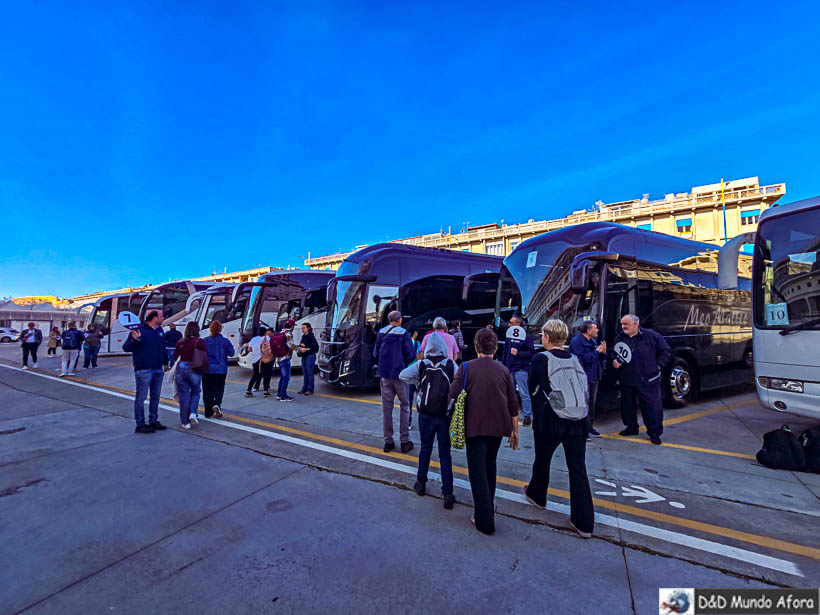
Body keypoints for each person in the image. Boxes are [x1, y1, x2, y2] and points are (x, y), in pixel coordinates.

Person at [524, 319, 595, 538]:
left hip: (550, 421)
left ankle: (537, 495)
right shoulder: (574, 359)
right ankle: (584, 522)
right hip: (578, 421)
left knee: (543, 459)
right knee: (577, 468)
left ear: (546, 337)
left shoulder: (540, 359)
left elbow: (532, 387)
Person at [449, 327, 519, 535]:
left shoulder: (466, 367)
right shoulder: (503, 370)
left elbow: (453, 392)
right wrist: (515, 431)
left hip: (474, 426)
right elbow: (513, 403)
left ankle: (484, 519)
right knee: (490, 466)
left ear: (476, 346)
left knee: (477, 472)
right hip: (498, 427)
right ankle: (488, 506)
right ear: (495, 348)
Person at [399, 332, 456, 509]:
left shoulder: (422, 364)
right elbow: (460, 383)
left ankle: (421, 484)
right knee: (445, 454)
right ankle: (447, 493)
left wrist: (418, 382)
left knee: (425, 449)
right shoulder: (450, 364)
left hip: (425, 415)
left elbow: (402, 375)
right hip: (445, 415)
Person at [612, 314, 671, 446]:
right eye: (622, 324)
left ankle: (654, 433)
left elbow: (666, 351)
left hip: (648, 379)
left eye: (626, 324)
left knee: (651, 407)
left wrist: (657, 366)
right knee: (627, 406)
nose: (623, 327)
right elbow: (614, 353)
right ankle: (631, 427)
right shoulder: (620, 337)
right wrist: (614, 361)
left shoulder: (651, 335)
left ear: (636, 324)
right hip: (627, 379)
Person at [374, 310, 416, 453]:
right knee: (404, 406)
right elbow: (410, 355)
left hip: (385, 375)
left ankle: (388, 441)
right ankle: (404, 441)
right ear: (399, 320)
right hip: (400, 375)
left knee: (387, 409)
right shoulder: (403, 333)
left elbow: (375, 353)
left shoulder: (381, 332)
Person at [122, 310, 169, 434]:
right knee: (141, 397)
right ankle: (140, 424)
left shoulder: (159, 330)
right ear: (154, 318)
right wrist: (134, 339)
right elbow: (126, 348)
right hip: (144, 369)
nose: (163, 318)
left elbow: (162, 347)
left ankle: (153, 420)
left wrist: (165, 362)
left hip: (158, 368)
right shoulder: (139, 330)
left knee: (155, 397)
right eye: (161, 316)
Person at [569, 321, 606, 438]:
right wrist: (596, 352)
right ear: (589, 331)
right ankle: (582, 430)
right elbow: (581, 360)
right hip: (583, 377)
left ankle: (589, 427)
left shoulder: (592, 341)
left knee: (591, 403)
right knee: (582, 403)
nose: (598, 330)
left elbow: (596, 358)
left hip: (593, 376)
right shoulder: (576, 342)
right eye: (595, 328)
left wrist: (603, 353)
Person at [501, 314, 535, 426]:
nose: (509, 324)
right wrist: (504, 365)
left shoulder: (527, 337)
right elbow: (505, 352)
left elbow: (531, 353)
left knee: (523, 393)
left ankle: (527, 415)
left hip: (521, 369)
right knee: (509, 393)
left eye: (512, 322)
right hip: (511, 368)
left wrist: (518, 353)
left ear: (518, 324)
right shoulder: (509, 336)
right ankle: (508, 413)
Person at [174, 322, 208, 429]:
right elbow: (205, 355)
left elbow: (175, 357)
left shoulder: (180, 342)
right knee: (196, 392)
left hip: (181, 367)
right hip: (195, 368)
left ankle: (185, 422)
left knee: (184, 395)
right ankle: (193, 413)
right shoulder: (200, 342)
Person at [202, 320, 234, 418]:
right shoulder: (225, 341)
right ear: (220, 329)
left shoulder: (205, 340)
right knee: (219, 388)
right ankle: (217, 403)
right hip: (221, 368)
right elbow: (231, 353)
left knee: (207, 390)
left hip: (207, 369)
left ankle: (208, 411)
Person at [276, 319, 298, 402]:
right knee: (286, 377)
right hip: (285, 358)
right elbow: (290, 345)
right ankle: (283, 396)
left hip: (279, 358)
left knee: (282, 377)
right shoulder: (288, 334)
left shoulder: (280, 332)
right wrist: (299, 349)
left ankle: (279, 394)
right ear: (291, 326)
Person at [297, 322, 319, 395]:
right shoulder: (304, 337)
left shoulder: (311, 337)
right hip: (304, 356)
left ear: (308, 328)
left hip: (310, 355)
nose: (302, 330)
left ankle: (310, 389)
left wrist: (306, 349)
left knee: (309, 373)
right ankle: (305, 388)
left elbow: (316, 348)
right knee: (305, 373)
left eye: (304, 328)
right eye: (302, 328)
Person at [406, 328, 421, 428]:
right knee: (420, 398)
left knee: (409, 399)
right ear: (415, 333)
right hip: (417, 372)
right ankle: (421, 421)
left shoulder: (405, 343)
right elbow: (419, 357)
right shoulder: (417, 343)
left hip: (408, 372)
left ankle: (408, 421)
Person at [244, 326, 266, 397]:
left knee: (255, 374)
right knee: (265, 374)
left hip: (255, 359)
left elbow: (249, 349)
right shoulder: (267, 338)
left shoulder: (253, 339)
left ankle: (249, 389)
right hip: (263, 359)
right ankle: (266, 391)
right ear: (265, 332)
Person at [259, 327, 276, 397]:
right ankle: (266, 389)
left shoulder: (263, 340)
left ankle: (266, 388)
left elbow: (260, 349)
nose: (268, 335)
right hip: (270, 359)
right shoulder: (273, 339)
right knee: (267, 375)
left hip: (263, 359)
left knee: (265, 375)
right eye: (267, 333)